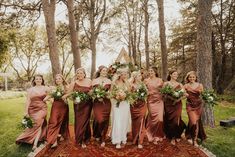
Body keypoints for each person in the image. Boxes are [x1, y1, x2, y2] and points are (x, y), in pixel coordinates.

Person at [16, 74, 49, 151]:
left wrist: (48, 98)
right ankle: (31, 137)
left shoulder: (46, 88)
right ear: (34, 80)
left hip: (42, 108)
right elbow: (28, 101)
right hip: (32, 109)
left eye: (40, 79)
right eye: (37, 79)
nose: (38, 80)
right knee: (37, 125)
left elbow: (51, 95)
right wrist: (26, 111)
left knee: (38, 123)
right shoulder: (30, 90)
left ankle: (35, 144)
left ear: (42, 80)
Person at [62, 68, 92, 148]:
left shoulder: (89, 81)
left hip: (87, 104)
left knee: (85, 121)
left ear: (84, 74)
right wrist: (68, 97)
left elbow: (91, 92)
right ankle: (80, 139)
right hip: (78, 105)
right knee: (79, 122)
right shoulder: (74, 83)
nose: (79, 75)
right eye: (78, 73)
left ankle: (85, 138)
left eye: (81, 73)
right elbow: (70, 93)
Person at [46, 74, 70, 148]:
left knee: (62, 121)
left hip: (64, 106)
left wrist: (66, 99)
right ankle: (53, 140)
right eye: (56, 79)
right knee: (54, 121)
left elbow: (69, 95)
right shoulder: (53, 88)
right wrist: (50, 100)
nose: (58, 80)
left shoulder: (66, 87)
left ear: (62, 79)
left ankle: (62, 134)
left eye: (59, 78)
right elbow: (49, 95)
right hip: (55, 106)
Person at [163, 70, 186, 145]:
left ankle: (175, 136)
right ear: (170, 75)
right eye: (174, 74)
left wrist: (177, 99)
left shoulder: (180, 84)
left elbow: (184, 94)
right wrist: (171, 97)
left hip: (177, 104)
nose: (176, 75)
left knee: (176, 120)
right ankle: (169, 134)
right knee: (169, 119)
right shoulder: (166, 83)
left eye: (177, 74)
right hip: (168, 104)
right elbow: (163, 94)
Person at [184, 71, 207, 146]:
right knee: (193, 122)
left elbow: (203, 95)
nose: (192, 78)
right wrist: (185, 94)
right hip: (189, 105)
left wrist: (207, 97)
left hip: (198, 105)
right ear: (188, 78)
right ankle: (192, 137)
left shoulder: (200, 85)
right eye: (190, 77)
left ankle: (194, 139)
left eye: (193, 77)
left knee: (195, 122)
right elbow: (183, 94)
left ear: (196, 77)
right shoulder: (186, 86)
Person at [110, 68, 131, 149]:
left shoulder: (127, 82)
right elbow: (111, 93)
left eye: (126, 74)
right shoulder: (114, 82)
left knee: (124, 120)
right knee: (117, 120)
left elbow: (129, 92)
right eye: (123, 74)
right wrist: (117, 96)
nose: (125, 75)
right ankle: (117, 140)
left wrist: (125, 95)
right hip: (117, 104)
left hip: (125, 104)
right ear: (119, 74)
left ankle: (123, 138)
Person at [92, 66, 112, 147]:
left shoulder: (109, 81)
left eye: (106, 71)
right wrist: (96, 96)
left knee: (105, 120)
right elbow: (91, 92)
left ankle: (103, 138)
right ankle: (98, 134)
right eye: (103, 70)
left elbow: (111, 92)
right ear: (100, 71)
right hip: (97, 103)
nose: (105, 72)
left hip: (106, 102)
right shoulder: (95, 81)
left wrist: (108, 95)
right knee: (99, 119)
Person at [144, 67, 165, 145]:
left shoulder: (160, 80)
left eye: (152, 71)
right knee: (152, 118)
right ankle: (151, 134)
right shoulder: (146, 80)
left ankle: (158, 134)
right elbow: (143, 90)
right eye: (149, 71)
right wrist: (147, 93)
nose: (150, 72)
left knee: (160, 119)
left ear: (155, 71)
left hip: (159, 101)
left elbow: (164, 90)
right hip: (150, 101)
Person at [129, 71, 147, 149]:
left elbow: (147, 92)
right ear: (135, 77)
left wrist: (143, 95)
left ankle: (140, 141)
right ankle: (135, 138)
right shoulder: (131, 84)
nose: (141, 77)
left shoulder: (143, 84)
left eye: (140, 75)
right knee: (135, 122)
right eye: (139, 75)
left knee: (142, 121)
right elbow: (128, 94)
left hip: (142, 104)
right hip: (133, 105)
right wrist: (134, 97)